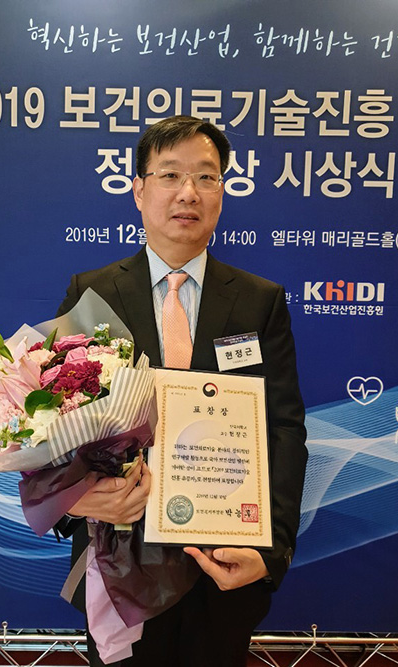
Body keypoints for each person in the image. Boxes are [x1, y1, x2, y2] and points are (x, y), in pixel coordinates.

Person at [54, 115, 308, 666]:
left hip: (223, 561)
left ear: (221, 193)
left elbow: (284, 429)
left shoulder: (260, 301)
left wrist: (272, 548)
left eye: (206, 177)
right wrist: (74, 499)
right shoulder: (91, 294)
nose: (188, 193)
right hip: (120, 563)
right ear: (139, 190)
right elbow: (56, 420)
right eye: (170, 175)